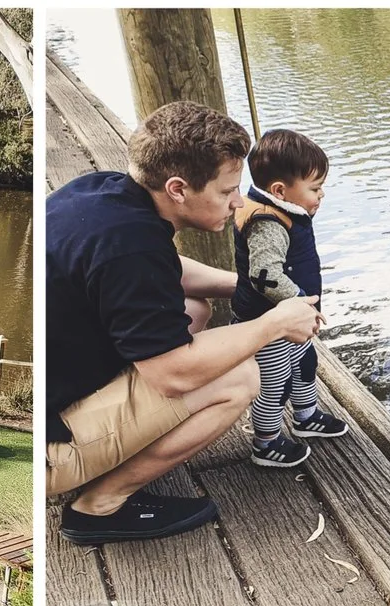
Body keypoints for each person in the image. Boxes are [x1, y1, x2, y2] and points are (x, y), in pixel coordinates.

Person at [47, 101, 324, 545]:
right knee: (239, 377)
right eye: (226, 191)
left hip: (58, 386)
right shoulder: (130, 247)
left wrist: (247, 287)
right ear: (177, 188)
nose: (238, 203)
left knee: (193, 308)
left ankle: (116, 447)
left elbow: (167, 269)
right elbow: (173, 374)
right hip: (48, 449)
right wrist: (273, 323)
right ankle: (99, 506)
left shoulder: (103, 194)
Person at [232, 129, 353, 469]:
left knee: (304, 364)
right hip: (269, 324)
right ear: (280, 191)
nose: (322, 194)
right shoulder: (268, 222)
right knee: (273, 383)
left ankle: (306, 415)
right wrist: (300, 301)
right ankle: (266, 442)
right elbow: (264, 274)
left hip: (294, 321)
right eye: (314, 188)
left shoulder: (286, 208)